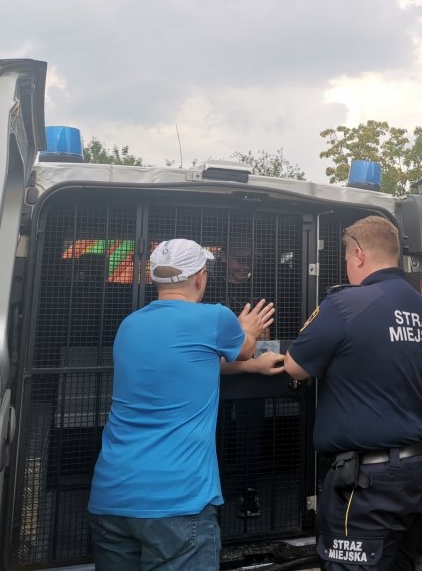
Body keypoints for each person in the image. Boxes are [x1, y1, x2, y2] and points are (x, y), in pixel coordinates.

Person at [87, 238, 282, 571]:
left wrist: (249, 367)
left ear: (154, 279)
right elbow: (246, 347)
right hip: (176, 500)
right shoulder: (215, 318)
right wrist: (247, 330)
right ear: (201, 277)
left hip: (111, 497)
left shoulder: (130, 325)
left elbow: (191, 361)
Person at [283, 216, 422, 570]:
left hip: (369, 481)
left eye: (344, 257)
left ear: (358, 254)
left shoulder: (346, 305)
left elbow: (295, 366)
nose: (346, 265)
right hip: (419, 470)